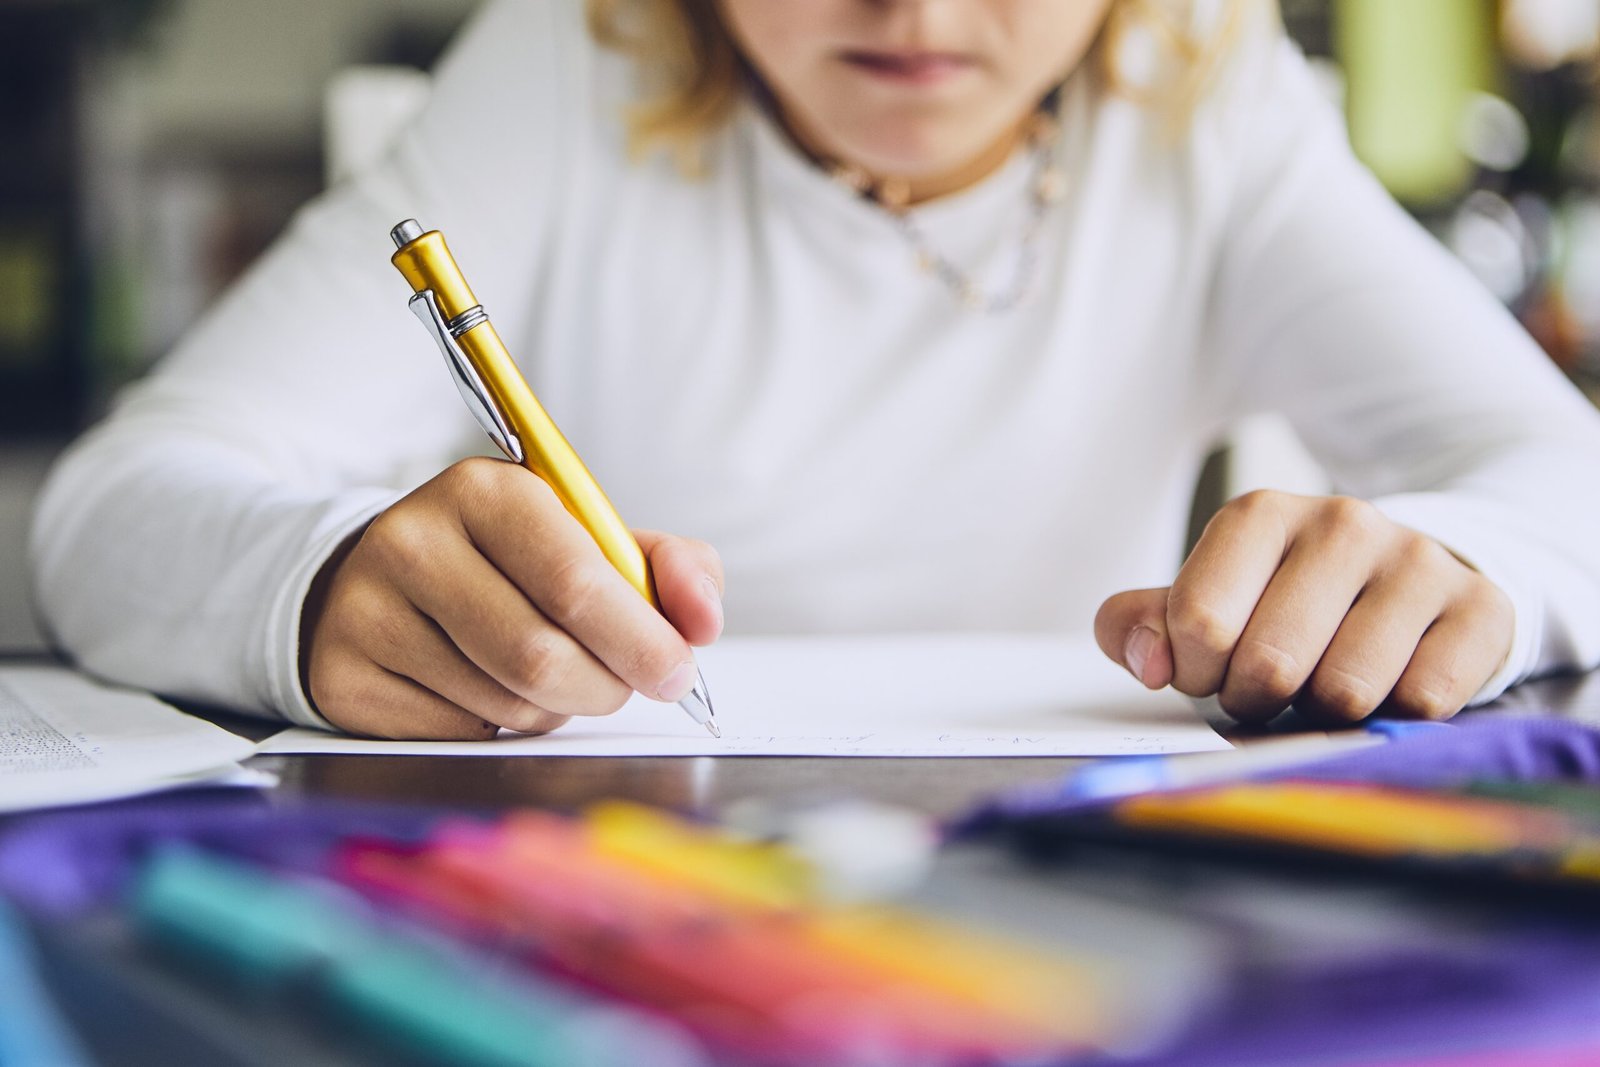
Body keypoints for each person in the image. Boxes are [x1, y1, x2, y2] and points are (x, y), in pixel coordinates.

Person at [31, 0, 1600, 741]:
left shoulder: (1214, 102)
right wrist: (317, 585)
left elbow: (1568, 481)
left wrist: (1462, 570)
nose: (913, 12)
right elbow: (108, 514)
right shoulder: (574, 59)